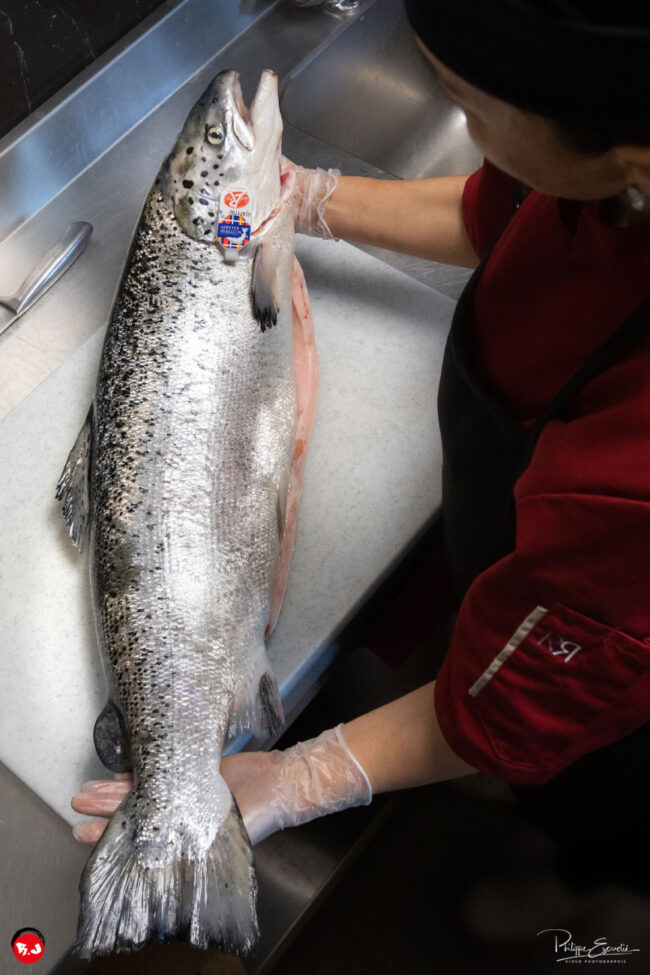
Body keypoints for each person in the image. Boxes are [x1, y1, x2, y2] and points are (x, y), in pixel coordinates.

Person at [72, 0, 650, 892]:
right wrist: (308, 197)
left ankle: (574, 886)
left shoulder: (630, 472)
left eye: (474, 110)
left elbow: (513, 713)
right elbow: (507, 208)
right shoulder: (603, 165)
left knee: (582, 799)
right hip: (529, 568)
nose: (463, 128)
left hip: (609, 710)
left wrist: (295, 777)